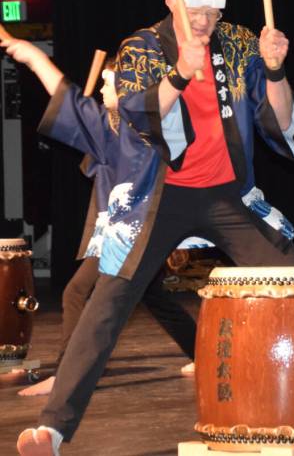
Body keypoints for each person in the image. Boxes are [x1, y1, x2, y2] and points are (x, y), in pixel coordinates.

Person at [16, 0, 294, 456]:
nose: (206, 20)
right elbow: (134, 116)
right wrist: (178, 76)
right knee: (109, 299)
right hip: (161, 194)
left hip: (228, 194)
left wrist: (276, 72)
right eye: (196, 6)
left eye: (215, 9)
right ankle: (55, 428)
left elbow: (280, 128)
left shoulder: (237, 43)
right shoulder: (142, 47)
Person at [0, 49, 196, 397]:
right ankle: (201, 353)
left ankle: (66, 376)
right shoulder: (115, 126)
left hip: (132, 229)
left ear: (126, 91)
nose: (103, 90)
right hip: (124, 227)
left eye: (109, 84)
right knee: (153, 296)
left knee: (76, 291)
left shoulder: (139, 131)